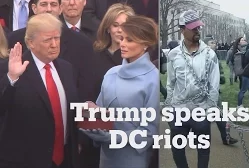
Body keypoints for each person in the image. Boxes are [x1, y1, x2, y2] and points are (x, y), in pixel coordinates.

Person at [0, 13, 80, 168]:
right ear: (31, 43)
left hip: (64, 159)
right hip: (25, 161)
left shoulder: (66, 68)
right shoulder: (10, 69)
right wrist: (12, 78)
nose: (54, 44)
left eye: (56, 38)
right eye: (47, 40)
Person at [81, 15, 159, 168]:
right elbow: (99, 116)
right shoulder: (111, 73)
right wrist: (89, 113)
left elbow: (150, 132)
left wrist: (114, 137)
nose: (122, 44)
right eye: (122, 38)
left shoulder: (153, 79)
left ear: (146, 44)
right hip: (106, 158)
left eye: (129, 40)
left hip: (134, 159)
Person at [165, 10, 220, 168]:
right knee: (177, 149)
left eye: (198, 27)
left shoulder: (210, 55)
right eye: (193, 28)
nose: (197, 30)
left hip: (201, 110)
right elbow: (171, 83)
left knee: (203, 150)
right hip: (178, 110)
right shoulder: (173, 55)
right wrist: (169, 108)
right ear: (182, 30)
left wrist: (210, 111)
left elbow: (214, 85)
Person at [203, 35, 238, 145]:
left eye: (215, 42)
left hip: (215, 91)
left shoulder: (215, 55)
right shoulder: (201, 57)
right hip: (203, 92)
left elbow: (219, 71)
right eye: (212, 43)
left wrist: (221, 78)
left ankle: (226, 138)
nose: (215, 44)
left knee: (220, 115)